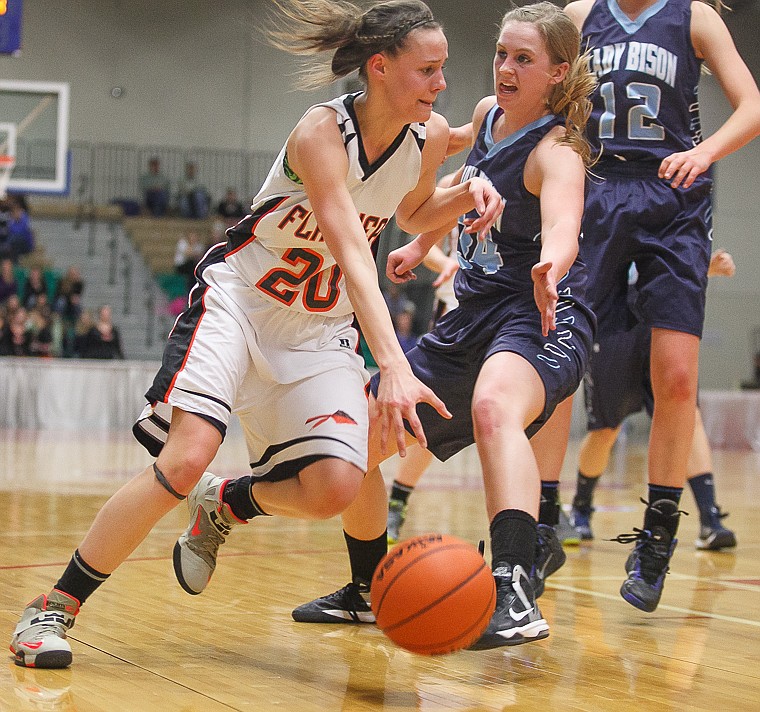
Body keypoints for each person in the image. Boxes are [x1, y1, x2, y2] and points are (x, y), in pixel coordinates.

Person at [9, 0, 505, 669]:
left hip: (318, 327)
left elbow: (412, 214)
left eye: (444, 69)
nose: (442, 82)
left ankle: (231, 501)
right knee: (185, 459)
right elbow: (351, 249)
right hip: (240, 304)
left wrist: (468, 192)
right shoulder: (320, 132)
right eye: (429, 70)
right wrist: (392, 361)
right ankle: (54, 607)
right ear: (381, 67)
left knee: (337, 483)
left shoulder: (428, 134)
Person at [174, 2, 598, 650]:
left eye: (524, 59)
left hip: (540, 311)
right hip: (473, 315)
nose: (505, 68)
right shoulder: (487, 118)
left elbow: (564, 220)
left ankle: (513, 586)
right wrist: (416, 242)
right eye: (502, 54)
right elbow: (444, 193)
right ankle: (352, 577)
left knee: (493, 406)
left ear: (558, 73)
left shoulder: (558, 150)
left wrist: (552, 261)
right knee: (360, 437)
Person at [562, 0, 760, 613]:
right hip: (597, 190)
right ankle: (545, 520)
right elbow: (545, 101)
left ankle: (658, 536)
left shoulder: (694, 17)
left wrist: (705, 153)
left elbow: (752, 105)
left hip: (674, 194)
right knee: (559, 359)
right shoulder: (579, 15)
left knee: (676, 378)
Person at [570, 250, 738, 551]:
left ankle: (710, 518)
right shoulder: (600, 206)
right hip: (612, 316)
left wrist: (702, 266)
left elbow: (675, 251)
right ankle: (581, 507)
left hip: (662, 313)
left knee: (686, 414)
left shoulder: (671, 205)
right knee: (606, 429)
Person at [5, 195, 35, 261]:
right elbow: (9, 230)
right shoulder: (10, 217)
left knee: (15, 240)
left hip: (24, 243)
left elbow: (23, 230)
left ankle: (14, 264)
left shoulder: (24, 216)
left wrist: (18, 219)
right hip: (12, 241)